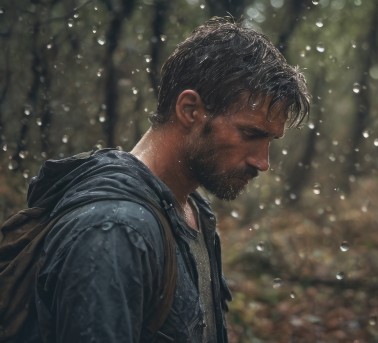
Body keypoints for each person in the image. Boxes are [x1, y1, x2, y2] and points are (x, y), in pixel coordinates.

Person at [19, 17, 310, 343]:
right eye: (250, 133)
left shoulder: (194, 210)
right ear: (189, 109)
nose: (263, 162)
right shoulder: (114, 231)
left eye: (270, 141)